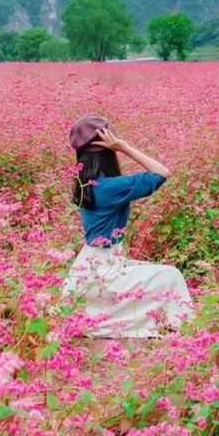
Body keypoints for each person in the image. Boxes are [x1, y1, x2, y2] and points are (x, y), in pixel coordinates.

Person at [63, 113, 193, 340]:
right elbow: (162, 173)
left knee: (155, 274)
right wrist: (124, 147)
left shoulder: (84, 184)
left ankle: (171, 327)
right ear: (108, 153)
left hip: (89, 263)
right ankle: (186, 332)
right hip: (105, 269)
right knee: (171, 276)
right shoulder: (109, 187)